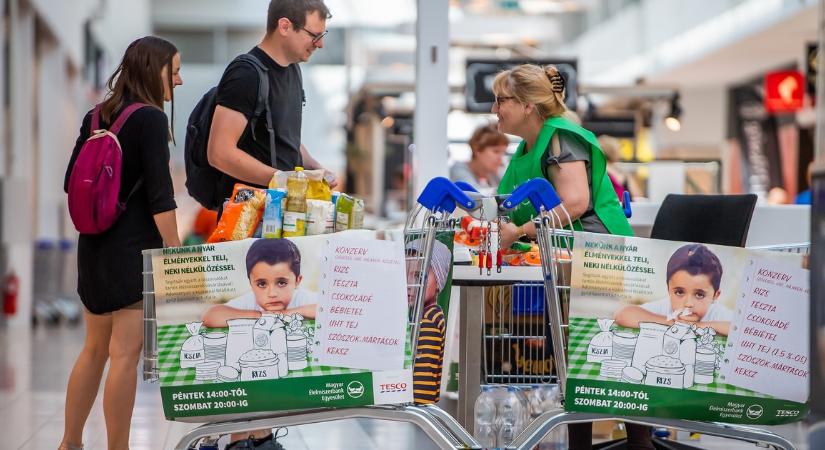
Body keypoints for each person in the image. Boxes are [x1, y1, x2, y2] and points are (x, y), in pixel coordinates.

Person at [491, 64, 648, 450]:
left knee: (606, 359)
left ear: (528, 105)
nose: (494, 108)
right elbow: (511, 206)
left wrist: (521, 233)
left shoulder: (562, 138)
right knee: (578, 362)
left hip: (601, 256)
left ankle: (640, 443)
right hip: (568, 260)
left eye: (501, 100)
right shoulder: (526, 149)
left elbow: (575, 202)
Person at [60, 36, 182, 450]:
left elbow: (69, 182)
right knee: (124, 355)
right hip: (133, 253)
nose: (179, 80)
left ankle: (70, 443)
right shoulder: (149, 119)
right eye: (175, 70)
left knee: (94, 350)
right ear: (154, 69)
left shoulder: (97, 115)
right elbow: (161, 200)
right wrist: (177, 255)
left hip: (92, 247)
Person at [207, 0, 335, 216]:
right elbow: (219, 153)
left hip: (284, 214)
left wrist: (313, 168)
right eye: (314, 36)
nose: (319, 44)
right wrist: (282, 179)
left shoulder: (293, 70)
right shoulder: (245, 74)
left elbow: (281, 135)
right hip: (247, 219)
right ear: (284, 26)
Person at [615, 243, 731, 336]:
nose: (688, 304)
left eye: (699, 295)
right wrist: (672, 323)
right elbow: (623, 315)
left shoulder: (716, 313)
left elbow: (739, 329)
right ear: (669, 289)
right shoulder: (664, 307)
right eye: (679, 292)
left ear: (715, 295)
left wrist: (699, 326)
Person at [202, 238, 317, 328]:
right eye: (262, 284)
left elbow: (329, 308)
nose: (272, 293)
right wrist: (260, 316)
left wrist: (287, 313)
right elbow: (210, 316)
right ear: (251, 283)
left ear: (297, 281)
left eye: (281, 283)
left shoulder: (301, 298)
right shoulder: (250, 301)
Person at [405, 239, 450, 404]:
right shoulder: (418, 315)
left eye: (418, 276)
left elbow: (422, 387)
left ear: (438, 281)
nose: (410, 284)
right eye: (404, 275)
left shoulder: (429, 319)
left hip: (416, 409)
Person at [449, 123, 509, 191]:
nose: (501, 158)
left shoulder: (493, 173)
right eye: (496, 151)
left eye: (503, 153)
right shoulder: (458, 170)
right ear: (477, 149)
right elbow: (474, 196)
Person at [597, 134, 643, 201]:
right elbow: (638, 195)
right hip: (625, 208)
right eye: (619, 149)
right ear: (612, 151)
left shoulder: (598, 171)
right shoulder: (622, 173)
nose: (621, 152)